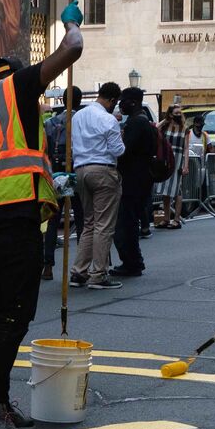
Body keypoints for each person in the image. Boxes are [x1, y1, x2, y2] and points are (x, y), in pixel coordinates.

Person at [0, 0, 84, 429]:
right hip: (14, 218)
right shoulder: (16, 90)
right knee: (14, 314)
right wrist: (69, 24)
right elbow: (73, 47)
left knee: (10, 314)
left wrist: (49, 180)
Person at [68, 80, 124, 290]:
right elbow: (118, 151)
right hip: (103, 170)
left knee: (89, 223)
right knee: (103, 225)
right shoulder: (108, 120)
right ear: (112, 100)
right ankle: (98, 274)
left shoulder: (78, 116)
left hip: (81, 169)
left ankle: (78, 271)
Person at [113, 86, 156, 278]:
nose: (120, 104)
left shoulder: (137, 123)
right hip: (140, 179)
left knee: (126, 223)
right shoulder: (142, 121)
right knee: (129, 222)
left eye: (123, 101)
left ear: (133, 102)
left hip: (133, 180)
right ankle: (133, 261)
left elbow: (124, 150)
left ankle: (132, 262)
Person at [42, 85, 85, 280]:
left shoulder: (52, 123)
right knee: (83, 217)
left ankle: (47, 265)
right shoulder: (83, 120)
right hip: (76, 170)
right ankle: (84, 263)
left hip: (58, 172)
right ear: (79, 100)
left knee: (53, 218)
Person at [155, 106, 188, 229]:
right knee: (166, 189)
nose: (178, 115)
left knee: (177, 189)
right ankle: (166, 218)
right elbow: (154, 128)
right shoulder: (165, 127)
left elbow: (186, 148)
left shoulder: (185, 129)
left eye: (180, 113)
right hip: (167, 159)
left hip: (178, 159)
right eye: (176, 113)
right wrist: (166, 119)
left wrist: (186, 165)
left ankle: (177, 219)